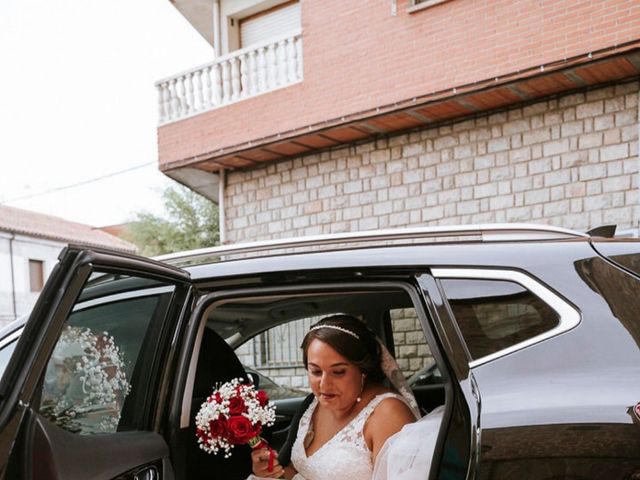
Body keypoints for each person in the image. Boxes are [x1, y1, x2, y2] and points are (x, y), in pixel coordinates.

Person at [249, 315, 421, 480]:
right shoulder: (314, 405)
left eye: (338, 372)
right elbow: (298, 472)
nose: (324, 385)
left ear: (363, 370)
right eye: (315, 371)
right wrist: (270, 472)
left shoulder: (388, 414)